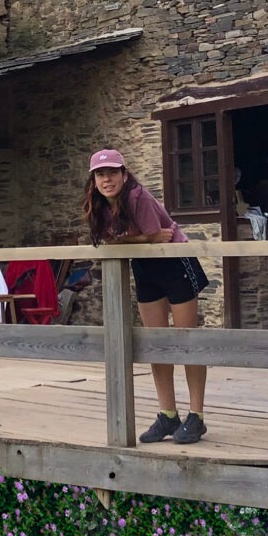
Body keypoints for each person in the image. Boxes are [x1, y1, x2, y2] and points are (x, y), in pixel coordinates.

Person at [83, 149, 211, 444]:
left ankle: (197, 415)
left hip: (174, 260)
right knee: (155, 342)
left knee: (187, 340)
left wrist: (132, 240)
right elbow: (122, 240)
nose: (107, 179)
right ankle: (168, 414)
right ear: (94, 180)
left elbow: (159, 236)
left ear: (124, 174)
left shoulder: (137, 197)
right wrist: (140, 239)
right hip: (145, 265)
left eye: (112, 173)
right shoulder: (98, 205)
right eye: (101, 174)